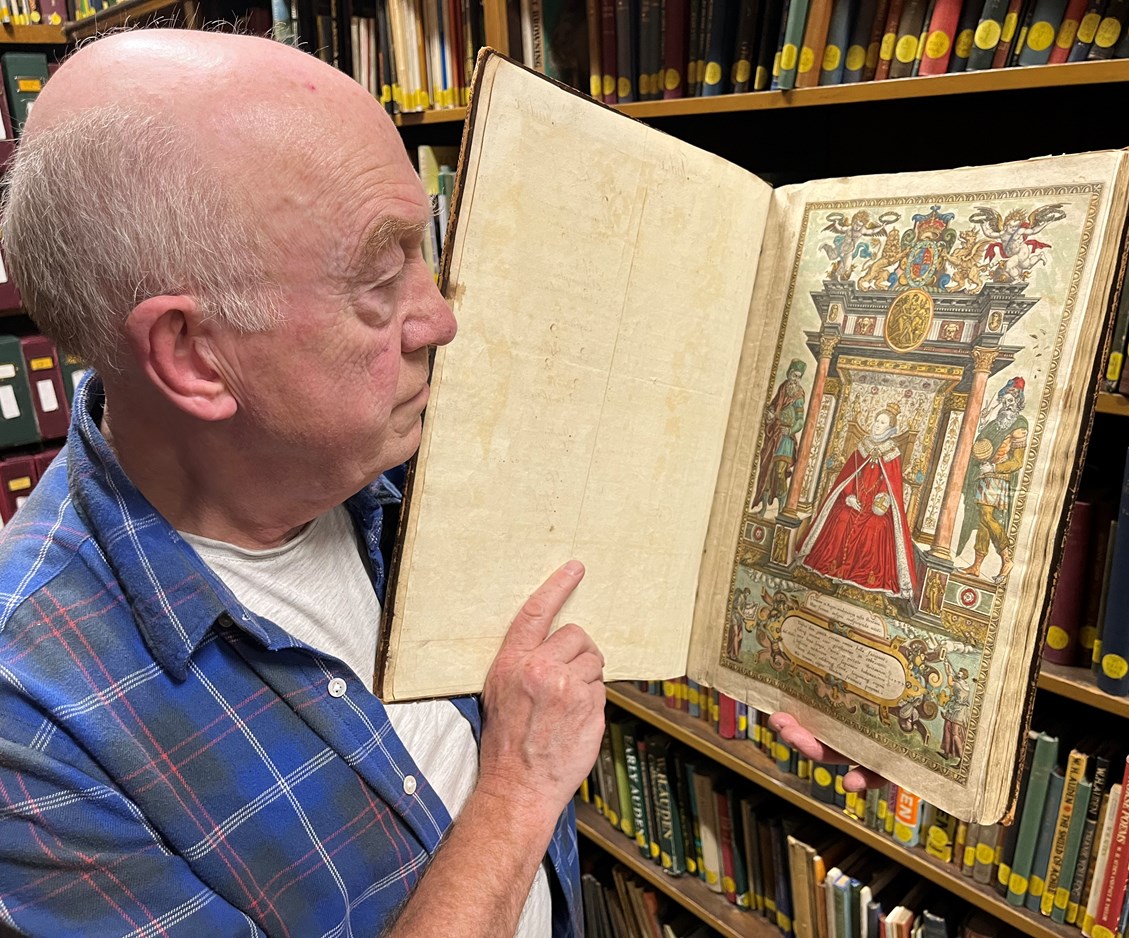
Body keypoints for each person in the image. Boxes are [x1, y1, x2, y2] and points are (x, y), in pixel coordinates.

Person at [0, 29, 871, 936]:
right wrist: (520, 790)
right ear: (193, 356)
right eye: (381, 279)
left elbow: (600, 560)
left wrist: (769, 652)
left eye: (429, 247)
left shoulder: (399, 439)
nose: (443, 319)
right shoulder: (33, 725)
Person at [796, 402, 919, 607]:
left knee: (875, 528)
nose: (877, 426)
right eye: (877, 421)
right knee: (842, 518)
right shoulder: (862, 446)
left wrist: (880, 503)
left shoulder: (892, 453)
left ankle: (860, 579)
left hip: (877, 506)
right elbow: (849, 476)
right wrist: (849, 496)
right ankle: (833, 569)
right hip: (854, 499)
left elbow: (891, 485)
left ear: (890, 429)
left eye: (883, 423)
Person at [958, 377, 1029, 582]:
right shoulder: (995, 423)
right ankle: (977, 565)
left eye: (1011, 401)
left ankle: (1006, 559)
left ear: (1018, 403)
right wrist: (982, 421)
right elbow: (981, 446)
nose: (1007, 405)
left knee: (988, 517)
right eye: (1004, 401)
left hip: (998, 478)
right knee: (983, 519)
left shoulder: (1019, 426)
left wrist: (995, 466)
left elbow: (1017, 462)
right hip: (985, 476)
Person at [751, 358, 807, 513]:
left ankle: (782, 507)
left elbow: (800, 420)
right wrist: (769, 415)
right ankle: (763, 507)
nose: (795, 379)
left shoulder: (799, 395)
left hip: (786, 438)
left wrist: (790, 430)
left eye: (798, 376)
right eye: (793, 375)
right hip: (775, 434)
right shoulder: (783, 388)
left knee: (780, 471)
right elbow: (774, 407)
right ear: (789, 374)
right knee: (767, 470)